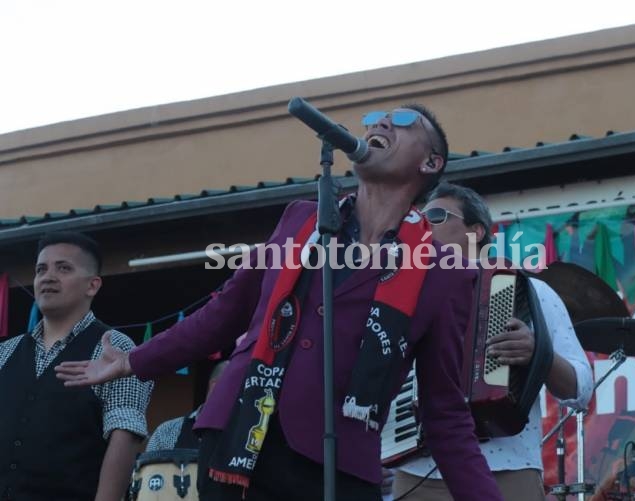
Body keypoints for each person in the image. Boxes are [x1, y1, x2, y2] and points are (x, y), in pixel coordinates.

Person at [55, 105, 504, 501]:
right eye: (376, 118)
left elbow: (444, 412)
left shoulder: (445, 270)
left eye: (405, 121)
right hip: (235, 445)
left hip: (337, 466)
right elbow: (223, 313)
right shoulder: (298, 221)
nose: (383, 120)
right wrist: (134, 361)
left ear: (431, 162)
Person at [392, 183, 593, 501]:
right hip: (416, 472)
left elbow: (580, 391)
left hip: (505, 472)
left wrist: (538, 354)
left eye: (436, 215)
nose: (424, 224)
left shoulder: (534, 292)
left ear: (475, 231)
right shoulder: (402, 293)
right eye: (419, 216)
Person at [0, 231, 153, 501]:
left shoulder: (115, 348)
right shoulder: (6, 352)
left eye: (64, 268)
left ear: (92, 285)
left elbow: (125, 435)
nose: (48, 277)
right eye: (41, 269)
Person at [146, 360, 229, 451]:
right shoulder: (167, 432)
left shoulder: (244, 436)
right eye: (239, 388)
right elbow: (149, 464)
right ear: (215, 386)